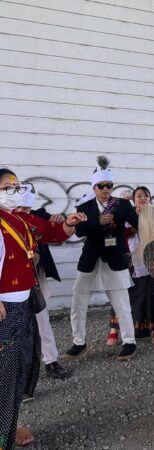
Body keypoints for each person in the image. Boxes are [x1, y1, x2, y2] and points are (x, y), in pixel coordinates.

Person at [0, 168, 86, 450]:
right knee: (4, 370)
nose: (14, 191)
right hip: (5, 307)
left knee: (18, 366)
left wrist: (69, 223)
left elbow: (50, 231)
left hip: (23, 302)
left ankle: (10, 424)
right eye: (7, 186)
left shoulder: (20, 219)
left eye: (16, 186)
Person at [64, 156, 139, 361]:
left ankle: (129, 342)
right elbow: (80, 231)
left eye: (109, 185)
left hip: (115, 258)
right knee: (78, 301)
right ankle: (79, 342)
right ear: (94, 187)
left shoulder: (123, 204)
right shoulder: (84, 206)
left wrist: (146, 214)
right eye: (101, 186)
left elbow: (138, 223)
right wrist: (98, 222)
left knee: (122, 304)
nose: (105, 189)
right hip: (90, 259)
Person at [15, 187, 71, 382]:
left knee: (41, 317)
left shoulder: (38, 216)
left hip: (34, 274)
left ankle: (51, 360)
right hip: (9, 278)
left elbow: (55, 227)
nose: (23, 209)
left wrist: (61, 220)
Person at [108, 186, 154, 345]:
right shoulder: (125, 213)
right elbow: (116, 233)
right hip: (127, 260)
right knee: (122, 293)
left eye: (146, 196)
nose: (142, 198)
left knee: (150, 293)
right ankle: (114, 330)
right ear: (133, 199)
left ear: (150, 199)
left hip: (149, 260)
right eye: (139, 196)